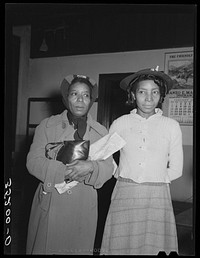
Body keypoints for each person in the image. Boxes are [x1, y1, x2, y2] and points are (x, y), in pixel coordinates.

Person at [26, 74, 114, 255]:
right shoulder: (47, 126)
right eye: (74, 94)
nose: (80, 100)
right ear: (67, 97)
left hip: (84, 204)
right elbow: (33, 162)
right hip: (51, 201)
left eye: (86, 95)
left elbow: (108, 167)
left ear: (91, 99)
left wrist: (91, 167)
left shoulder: (100, 131)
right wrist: (66, 171)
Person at [100, 67, 183, 255]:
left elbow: (176, 168)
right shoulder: (121, 123)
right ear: (133, 94)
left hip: (157, 194)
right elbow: (105, 155)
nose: (148, 98)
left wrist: (153, 178)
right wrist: (119, 172)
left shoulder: (171, 126)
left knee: (153, 247)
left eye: (154, 92)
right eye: (142, 92)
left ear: (161, 95)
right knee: (122, 244)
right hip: (125, 192)